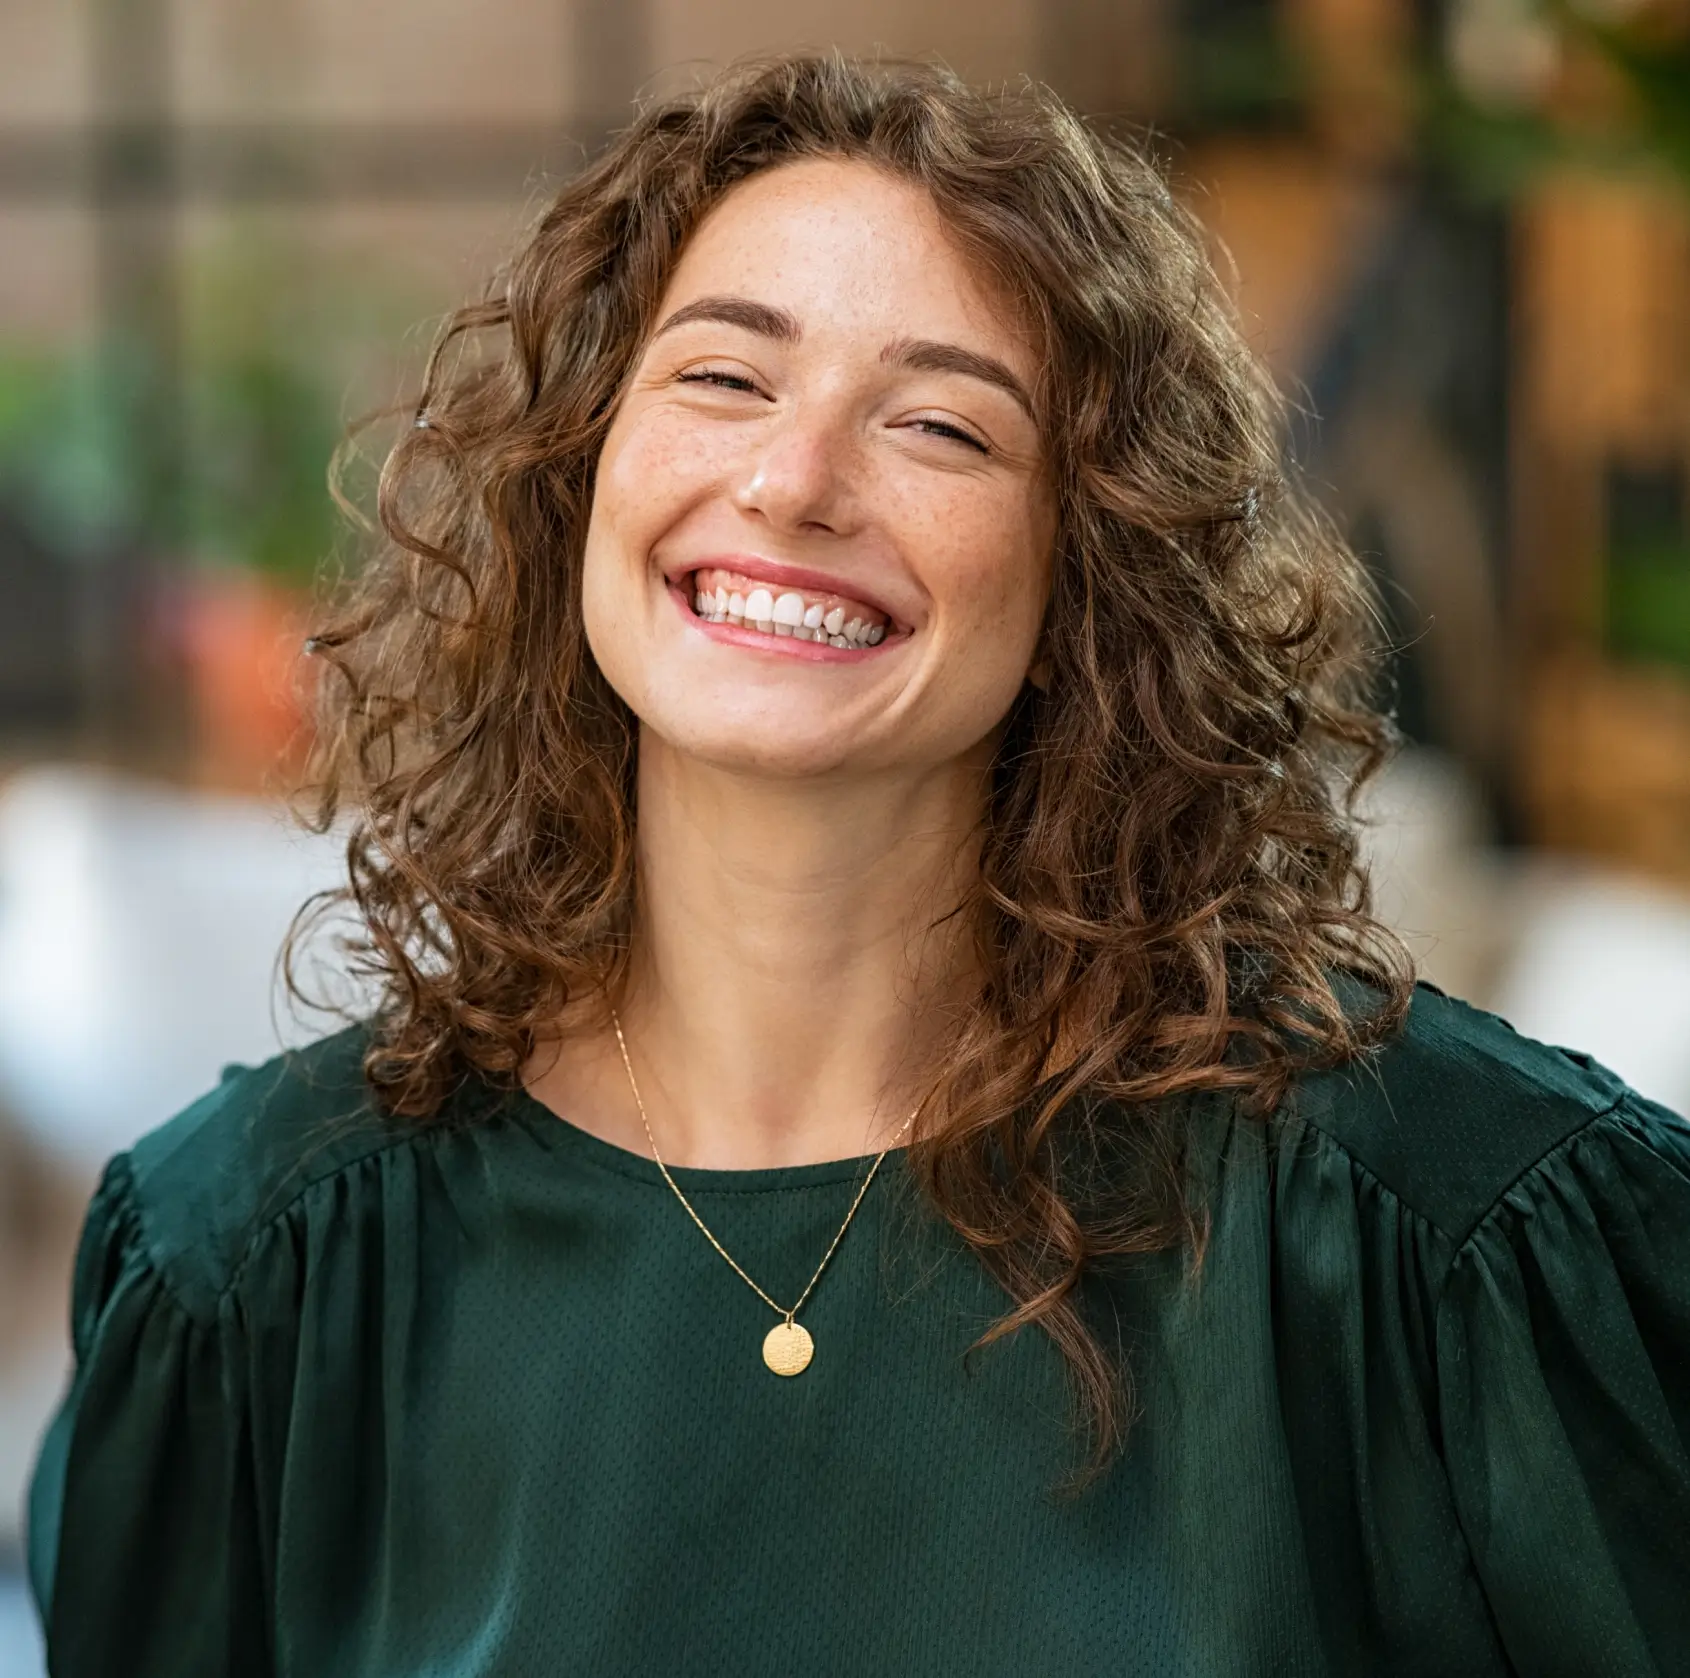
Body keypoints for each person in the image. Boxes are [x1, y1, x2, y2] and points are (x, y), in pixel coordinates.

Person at [26, 53, 1690, 1677]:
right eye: (723, 378)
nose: (792, 480)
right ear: (577, 470)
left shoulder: (1447, 1233)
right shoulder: (251, 1274)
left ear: (1090, 574)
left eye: (941, 428)